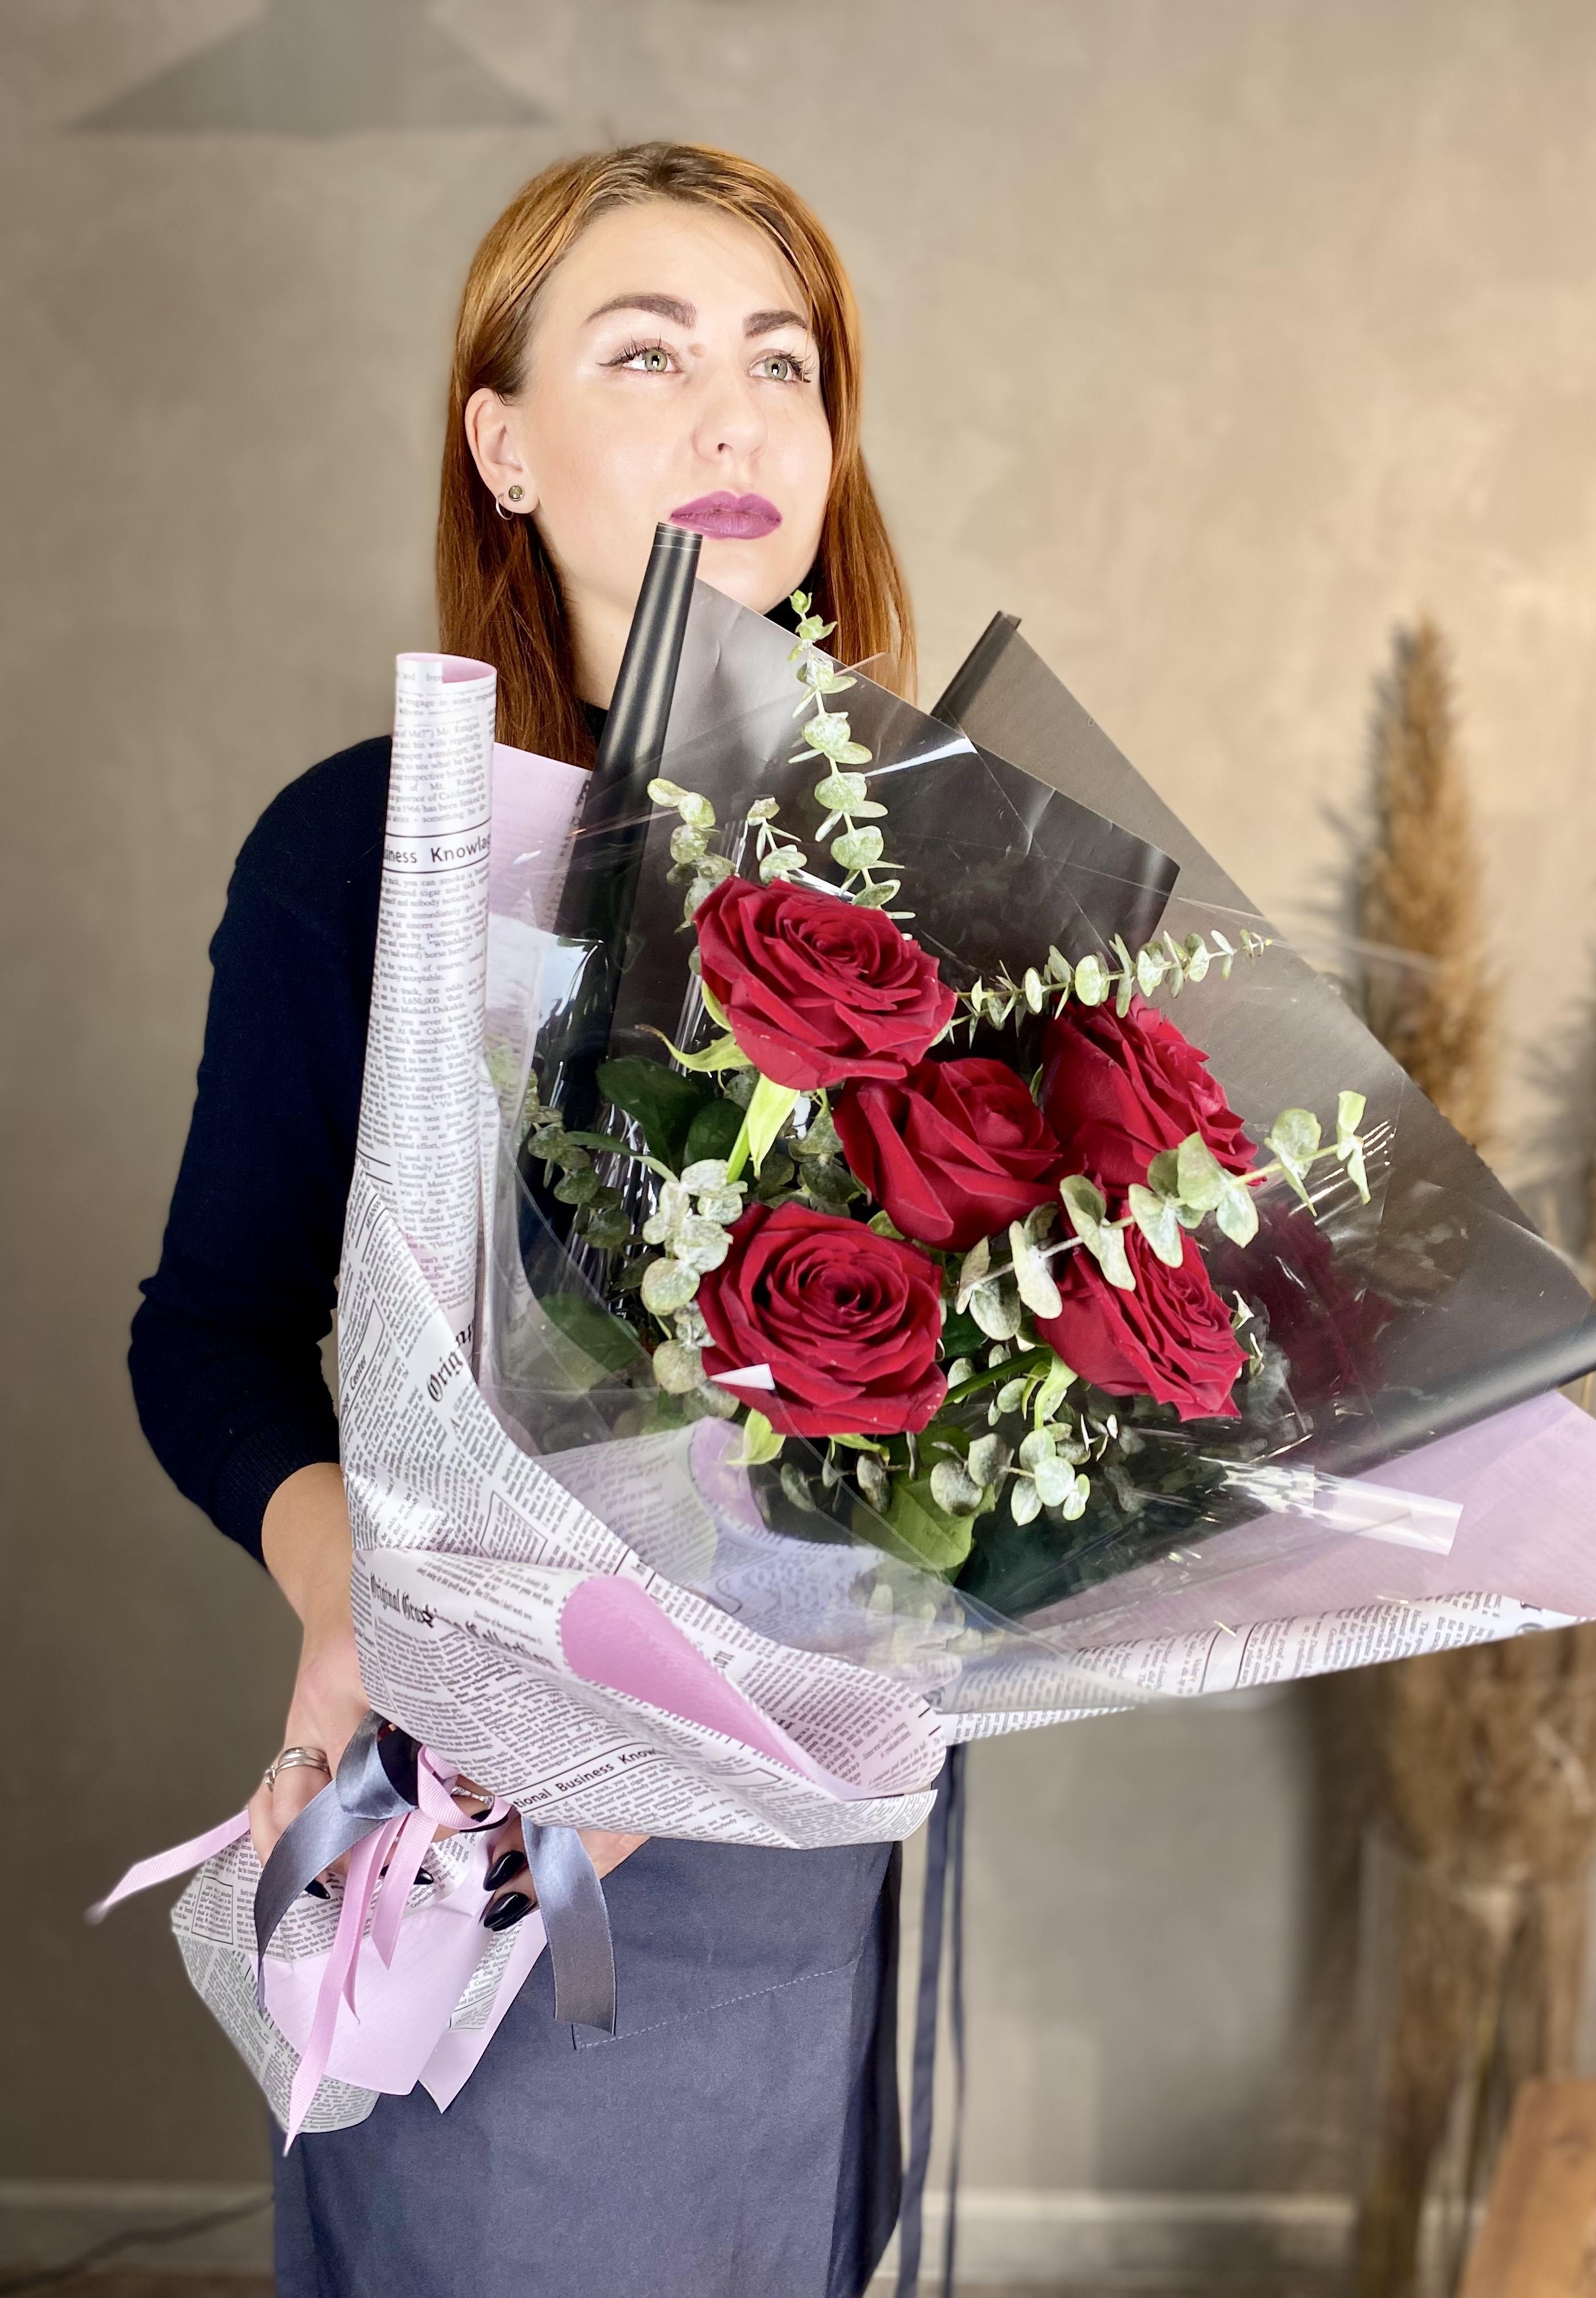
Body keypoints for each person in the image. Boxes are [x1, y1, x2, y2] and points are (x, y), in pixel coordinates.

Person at [130, 141, 918, 2298]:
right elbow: (207, 1334)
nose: (734, 418)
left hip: (803, 1819)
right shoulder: (358, 859)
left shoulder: (917, 871)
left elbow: (983, 1389)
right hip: (481, 1821)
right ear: (499, 444)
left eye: (782, 363)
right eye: (646, 356)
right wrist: (349, 1610)